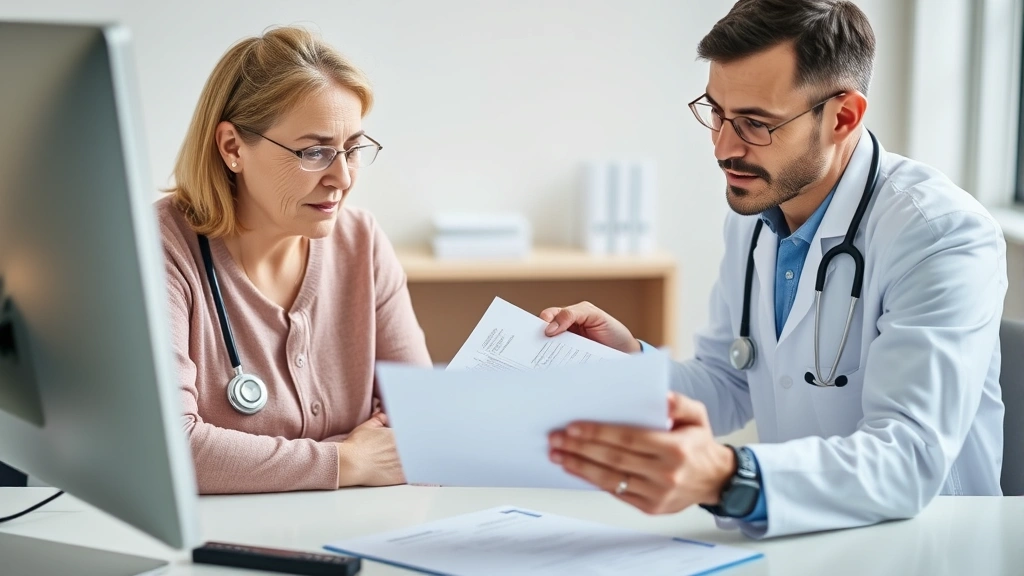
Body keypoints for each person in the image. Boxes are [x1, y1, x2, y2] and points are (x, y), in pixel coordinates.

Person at [544, 0, 1007, 538]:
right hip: (804, 538)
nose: (723, 147)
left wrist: (726, 476)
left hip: (924, 545)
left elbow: (908, 459)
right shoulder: (755, 212)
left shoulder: (941, 235)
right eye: (716, 112)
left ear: (843, 117)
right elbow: (726, 380)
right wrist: (629, 365)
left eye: (754, 124)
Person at [159, 26, 430, 494]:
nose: (341, 178)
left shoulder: (361, 242)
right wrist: (347, 461)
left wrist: (240, 461)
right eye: (314, 151)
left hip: (358, 530)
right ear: (232, 148)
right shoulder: (161, 250)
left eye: (352, 149)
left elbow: (423, 422)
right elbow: (169, 448)